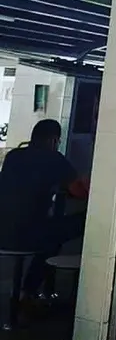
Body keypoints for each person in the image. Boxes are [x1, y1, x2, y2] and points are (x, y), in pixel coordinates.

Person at [0, 119, 88, 297]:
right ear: (53, 140)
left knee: (51, 233)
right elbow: (80, 192)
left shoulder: (13, 156)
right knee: (82, 222)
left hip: (3, 231)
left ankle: (30, 292)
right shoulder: (54, 159)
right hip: (28, 236)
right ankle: (30, 290)